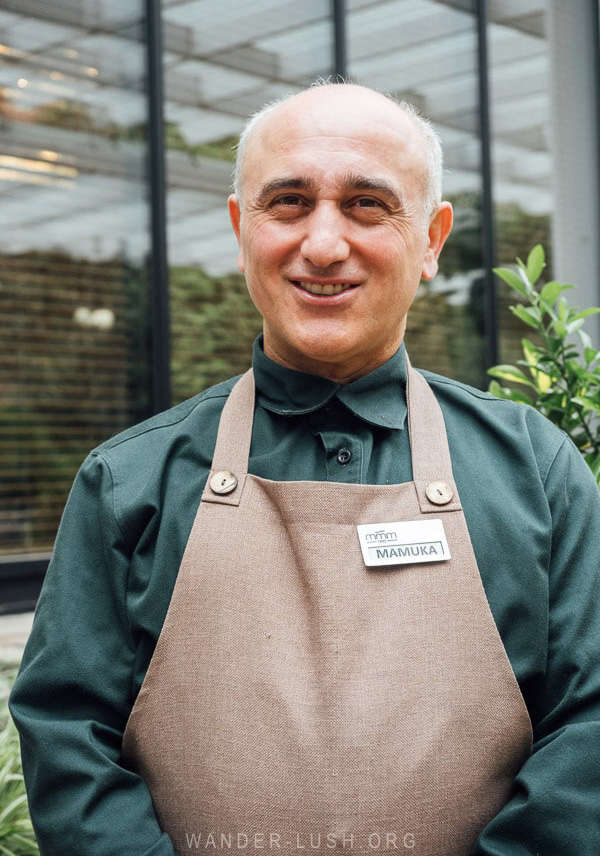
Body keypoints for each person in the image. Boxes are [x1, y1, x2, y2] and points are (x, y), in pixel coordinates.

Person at [9, 83, 600, 855]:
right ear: (239, 230)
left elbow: (588, 728)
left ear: (431, 241)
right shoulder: (128, 482)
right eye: (288, 201)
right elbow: (68, 740)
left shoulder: (538, 471)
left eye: (366, 204)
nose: (323, 244)